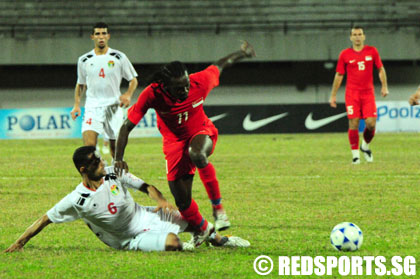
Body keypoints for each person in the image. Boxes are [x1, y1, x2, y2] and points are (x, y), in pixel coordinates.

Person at [114, 41, 256, 246]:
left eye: (187, 85)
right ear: (165, 86)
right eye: (179, 88)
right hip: (173, 143)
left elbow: (221, 64)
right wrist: (118, 158)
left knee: (197, 154)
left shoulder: (201, 81)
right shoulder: (153, 93)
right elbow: (126, 127)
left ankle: (219, 209)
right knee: (182, 201)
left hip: (202, 132)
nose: (185, 90)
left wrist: (241, 53)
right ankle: (203, 232)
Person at [4, 146, 250, 253]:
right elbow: (45, 218)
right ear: (83, 169)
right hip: (128, 238)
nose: (102, 163)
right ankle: (185, 240)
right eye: (95, 162)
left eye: (100, 159)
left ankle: (220, 240)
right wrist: (20, 242)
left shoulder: (113, 172)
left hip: (145, 214)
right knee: (174, 243)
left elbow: (146, 187)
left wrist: (162, 201)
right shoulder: (77, 200)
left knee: (189, 214)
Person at [70, 22, 138, 158]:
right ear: (92, 37)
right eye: (97, 34)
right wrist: (76, 105)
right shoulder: (84, 60)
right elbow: (80, 84)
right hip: (92, 107)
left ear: (108, 36)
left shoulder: (119, 57)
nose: (101, 37)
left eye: (103, 33)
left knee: (115, 151)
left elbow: (133, 80)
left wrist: (128, 95)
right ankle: (99, 174)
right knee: (89, 148)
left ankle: (115, 177)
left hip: (114, 107)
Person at [329, 26, 389, 164]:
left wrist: (384, 86)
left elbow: (380, 69)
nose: (357, 37)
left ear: (364, 36)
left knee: (371, 123)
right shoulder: (345, 54)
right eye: (354, 34)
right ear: (350, 37)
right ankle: (355, 156)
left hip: (368, 93)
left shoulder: (372, 51)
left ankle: (365, 146)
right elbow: (339, 75)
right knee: (354, 122)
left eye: (359, 34)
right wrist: (333, 95)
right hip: (352, 94)